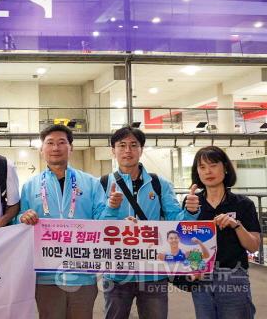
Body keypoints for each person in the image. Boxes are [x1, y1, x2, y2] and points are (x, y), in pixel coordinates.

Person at [102, 126, 200, 319]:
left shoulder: (160, 184)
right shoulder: (103, 183)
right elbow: (97, 225)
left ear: (141, 149)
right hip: (117, 271)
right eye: (122, 145)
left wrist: (190, 211)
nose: (127, 150)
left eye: (133, 145)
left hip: (153, 270)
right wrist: (112, 210)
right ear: (113, 150)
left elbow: (175, 220)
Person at [19, 124, 113, 319]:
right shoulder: (30, 186)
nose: (56, 148)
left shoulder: (90, 183)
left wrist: (113, 208)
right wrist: (22, 218)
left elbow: (103, 221)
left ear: (71, 148)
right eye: (50, 143)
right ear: (42, 149)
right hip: (46, 275)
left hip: (83, 273)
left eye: (62, 142)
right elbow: (17, 225)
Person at [189, 146, 260, 319]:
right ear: (197, 172)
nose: (208, 171)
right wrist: (193, 267)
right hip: (201, 278)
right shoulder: (192, 203)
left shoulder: (243, 204)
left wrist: (236, 225)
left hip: (233, 276)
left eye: (213, 165)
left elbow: (253, 246)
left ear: (225, 167)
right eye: (202, 167)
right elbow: (188, 241)